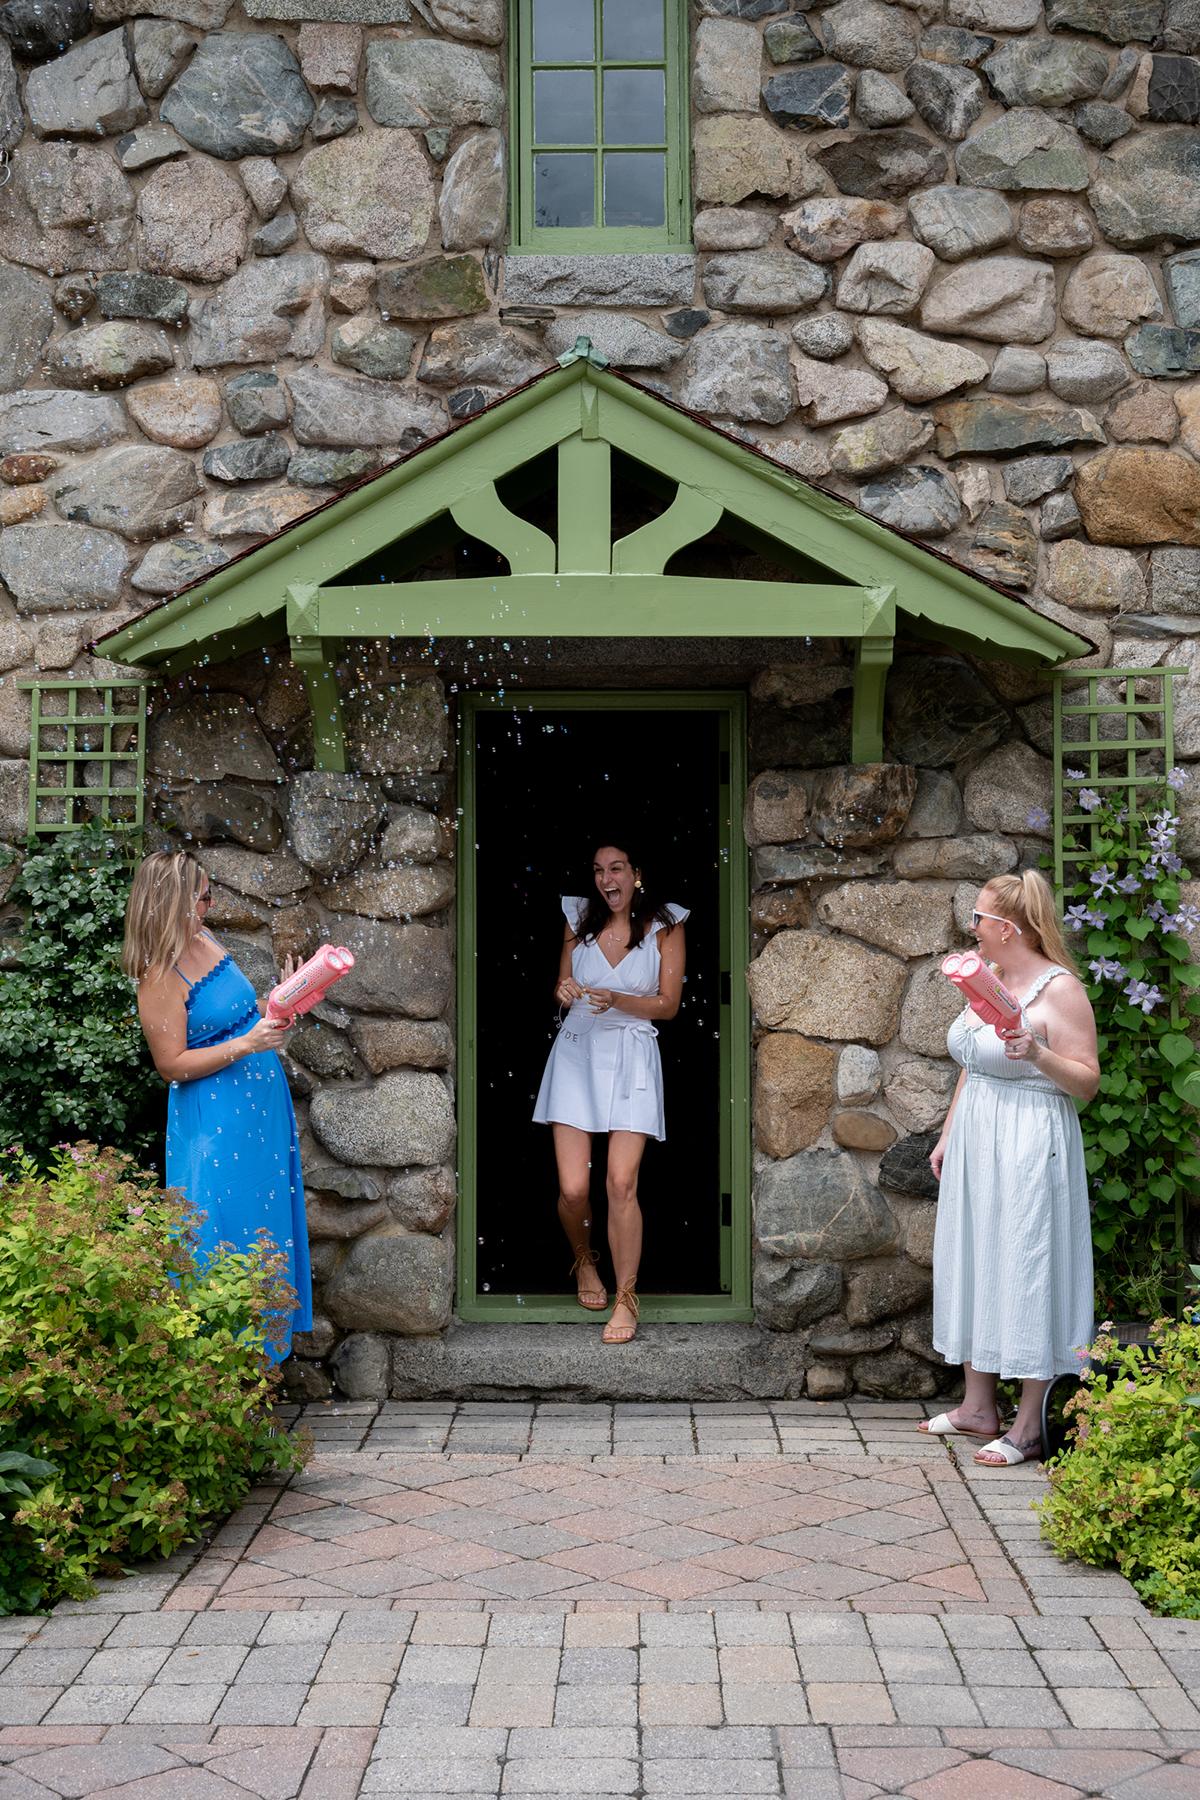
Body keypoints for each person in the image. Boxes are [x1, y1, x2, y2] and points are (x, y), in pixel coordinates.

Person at [920, 869, 1099, 1466]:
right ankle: (977, 1407)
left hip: (1030, 1138)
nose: (971, 927)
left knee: (1026, 1264)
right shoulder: (989, 978)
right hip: (978, 1134)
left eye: (978, 918)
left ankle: (1027, 1425)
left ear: (1008, 928)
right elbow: (973, 1061)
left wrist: (1039, 1053)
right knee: (976, 1257)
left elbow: (1088, 1084)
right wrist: (948, 1137)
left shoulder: (1059, 990)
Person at [122, 849, 312, 1363]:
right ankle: (225, 1374)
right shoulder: (158, 971)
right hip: (215, 1120)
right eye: (203, 895)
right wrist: (247, 1046)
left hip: (259, 1112)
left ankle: (264, 1370)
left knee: (265, 1226)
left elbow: (236, 1016)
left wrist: (282, 1001)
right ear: (172, 901)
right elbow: (172, 1063)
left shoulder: (203, 937)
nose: (210, 903)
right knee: (220, 1230)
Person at [533, 841, 687, 1345]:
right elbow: (562, 981)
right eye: (598, 870)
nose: (606, 879)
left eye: (616, 868)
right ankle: (583, 1259)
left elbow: (668, 1006)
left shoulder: (666, 924)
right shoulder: (578, 918)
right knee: (574, 1189)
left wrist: (618, 998)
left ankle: (626, 1298)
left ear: (636, 873)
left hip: (632, 1056)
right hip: (577, 1053)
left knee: (621, 1183)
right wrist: (563, 990)